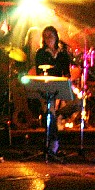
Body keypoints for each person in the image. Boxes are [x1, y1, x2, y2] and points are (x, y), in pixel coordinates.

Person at [35, 25, 71, 157]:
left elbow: (66, 73)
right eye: (45, 37)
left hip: (59, 87)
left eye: (50, 36)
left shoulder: (62, 54)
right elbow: (39, 72)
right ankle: (53, 143)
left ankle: (52, 144)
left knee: (54, 113)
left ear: (56, 37)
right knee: (50, 112)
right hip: (46, 87)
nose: (48, 39)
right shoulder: (41, 53)